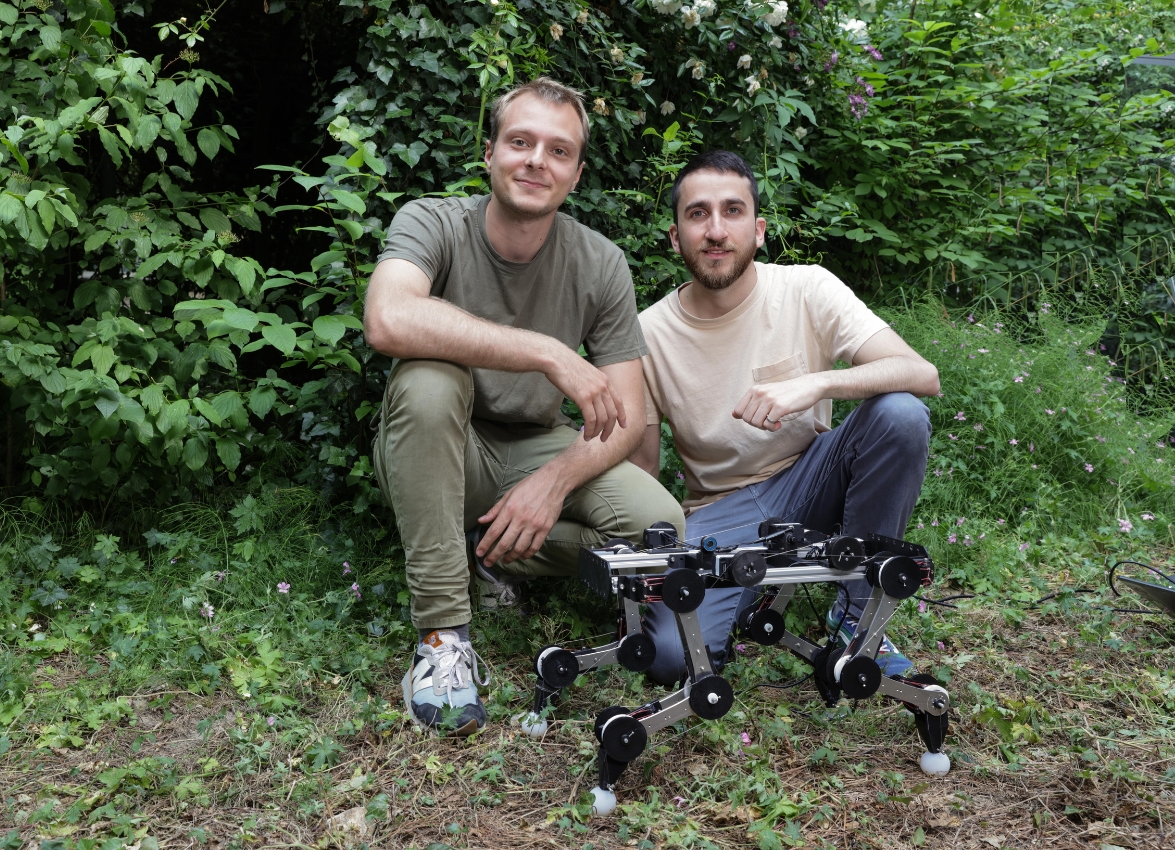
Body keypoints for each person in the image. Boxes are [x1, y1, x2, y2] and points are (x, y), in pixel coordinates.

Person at [364, 78, 686, 735]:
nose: (537, 160)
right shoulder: (432, 222)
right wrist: (547, 352)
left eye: (559, 150)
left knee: (658, 524)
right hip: (440, 445)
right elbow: (388, 318)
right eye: (520, 142)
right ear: (489, 153)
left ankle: (487, 552)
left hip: (536, 443)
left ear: (576, 173)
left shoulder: (599, 261)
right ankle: (442, 637)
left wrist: (554, 482)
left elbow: (627, 410)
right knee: (428, 380)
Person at [628, 150, 940, 686]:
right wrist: (644, 572)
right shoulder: (647, 334)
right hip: (720, 515)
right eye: (698, 214)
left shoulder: (806, 288)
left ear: (759, 230)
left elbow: (921, 373)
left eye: (733, 211)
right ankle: (750, 589)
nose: (716, 230)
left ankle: (856, 614)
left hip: (813, 477)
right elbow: (642, 476)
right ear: (676, 237)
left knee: (901, 415)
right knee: (670, 659)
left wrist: (817, 383)